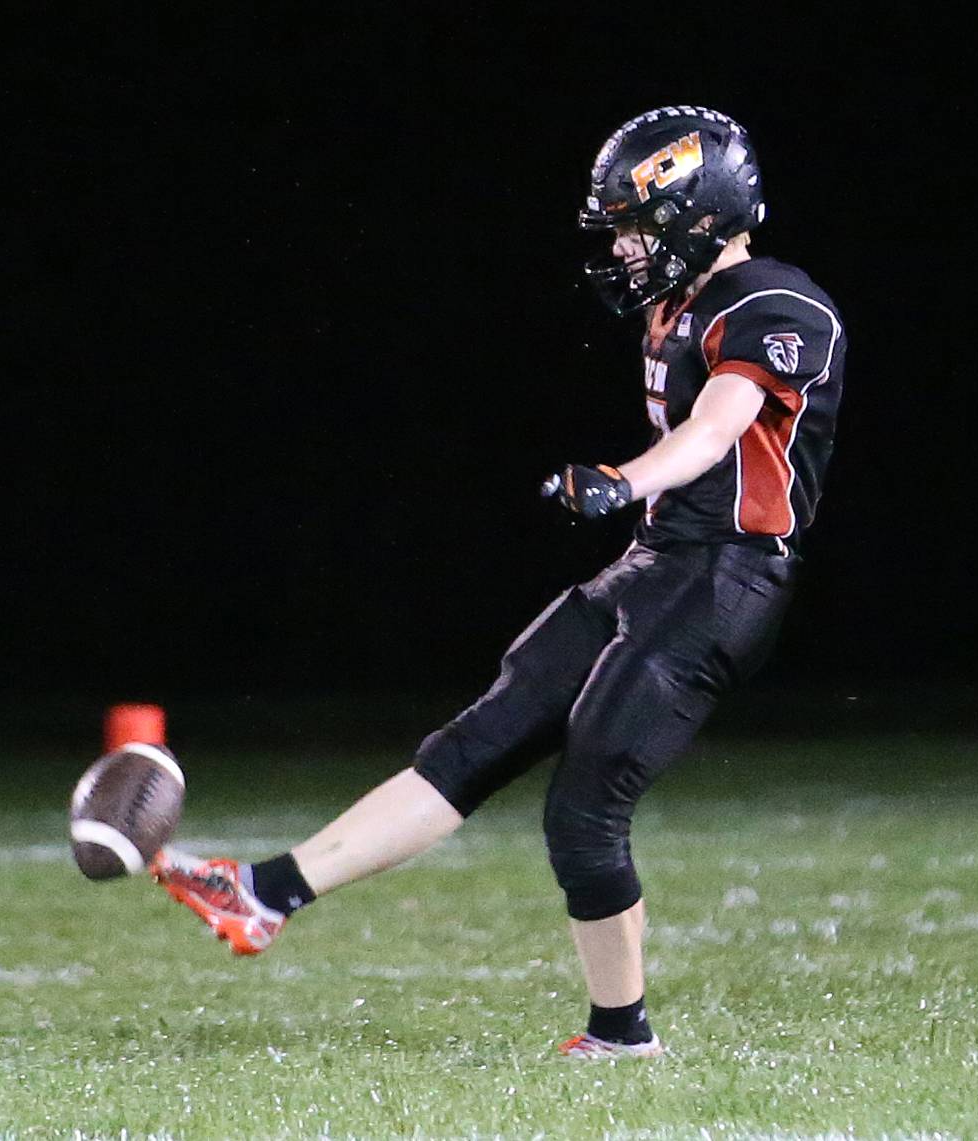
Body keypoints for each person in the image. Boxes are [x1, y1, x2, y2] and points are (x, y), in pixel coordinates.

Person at [150, 105, 847, 1058]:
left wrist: (623, 479)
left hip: (723, 581)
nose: (628, 249)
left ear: (699, 211)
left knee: (585, 808)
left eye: (640, 225)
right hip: (657, 568)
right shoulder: (677, 307)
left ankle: (621, 1037)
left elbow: (721, 424)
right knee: (475, 740)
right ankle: (268, 892)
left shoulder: (776, 304)